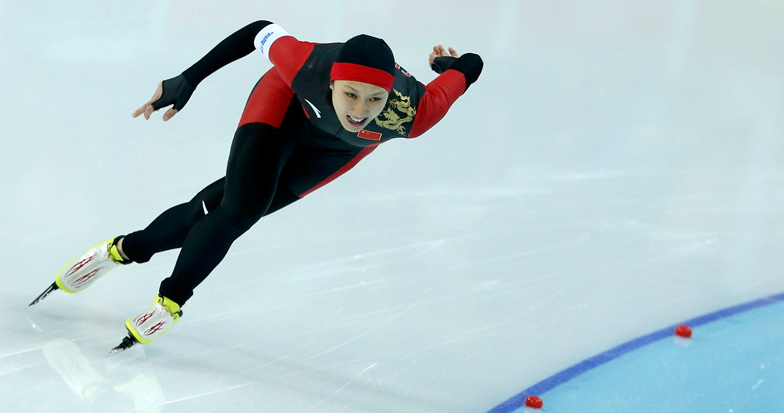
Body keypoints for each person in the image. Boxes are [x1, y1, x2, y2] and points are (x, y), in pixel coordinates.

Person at [30, 20, 483, 353]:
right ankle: (170, 302)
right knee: (241, 210)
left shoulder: (416, 113)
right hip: (283, 105)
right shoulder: (305, 62)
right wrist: (189, 79)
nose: (360, 111)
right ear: (332, 81)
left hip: (335, 152)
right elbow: (257, 31)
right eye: (350, 94)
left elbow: (472, 66)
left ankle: (124, 249)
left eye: (374, 100)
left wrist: (449, 66)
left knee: (226, 206)